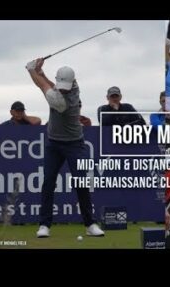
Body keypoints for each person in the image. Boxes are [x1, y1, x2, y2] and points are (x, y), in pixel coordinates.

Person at [26, 58, 104, 238]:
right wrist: (41, 72)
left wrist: (32, 71)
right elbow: (52, 87)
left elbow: (43, 87)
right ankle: (44, 225)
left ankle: (90, 224)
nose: (63, 87)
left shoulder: (67, 100)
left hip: (74, 144)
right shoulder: (69, 87)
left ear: (73, 83)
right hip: (54, 143)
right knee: (48, 182)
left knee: (81, 183)